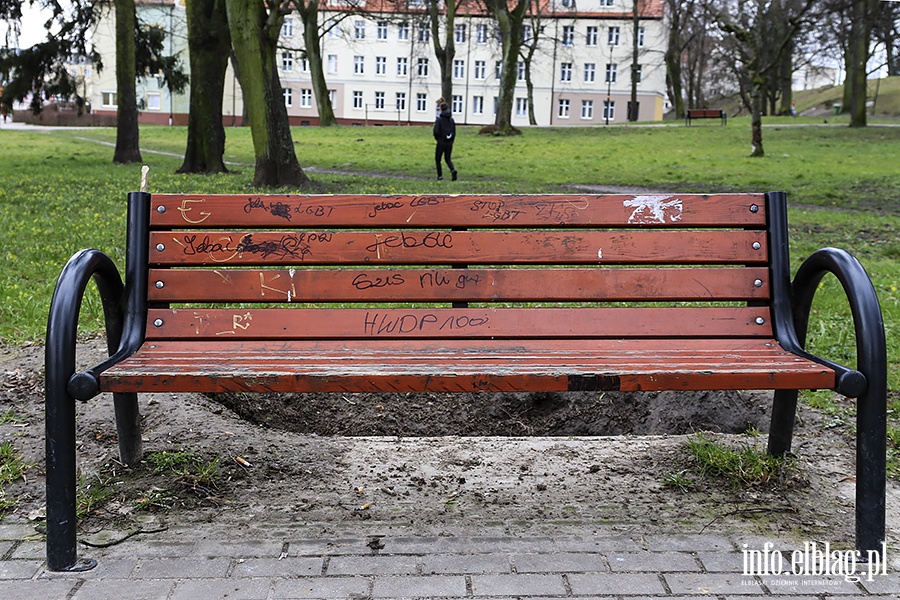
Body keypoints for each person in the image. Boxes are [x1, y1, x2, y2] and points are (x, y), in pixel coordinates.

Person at [433, 102, 457, 181]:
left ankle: (439, 176)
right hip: (449, 142)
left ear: (441, 109)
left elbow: (436, 131)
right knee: (448, 159)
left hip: (441, 142)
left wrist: (438, 139)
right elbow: (454, 132)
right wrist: (451, 140)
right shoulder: (451, 120)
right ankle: (453, 170)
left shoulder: (439, 120)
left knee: (438, 159)